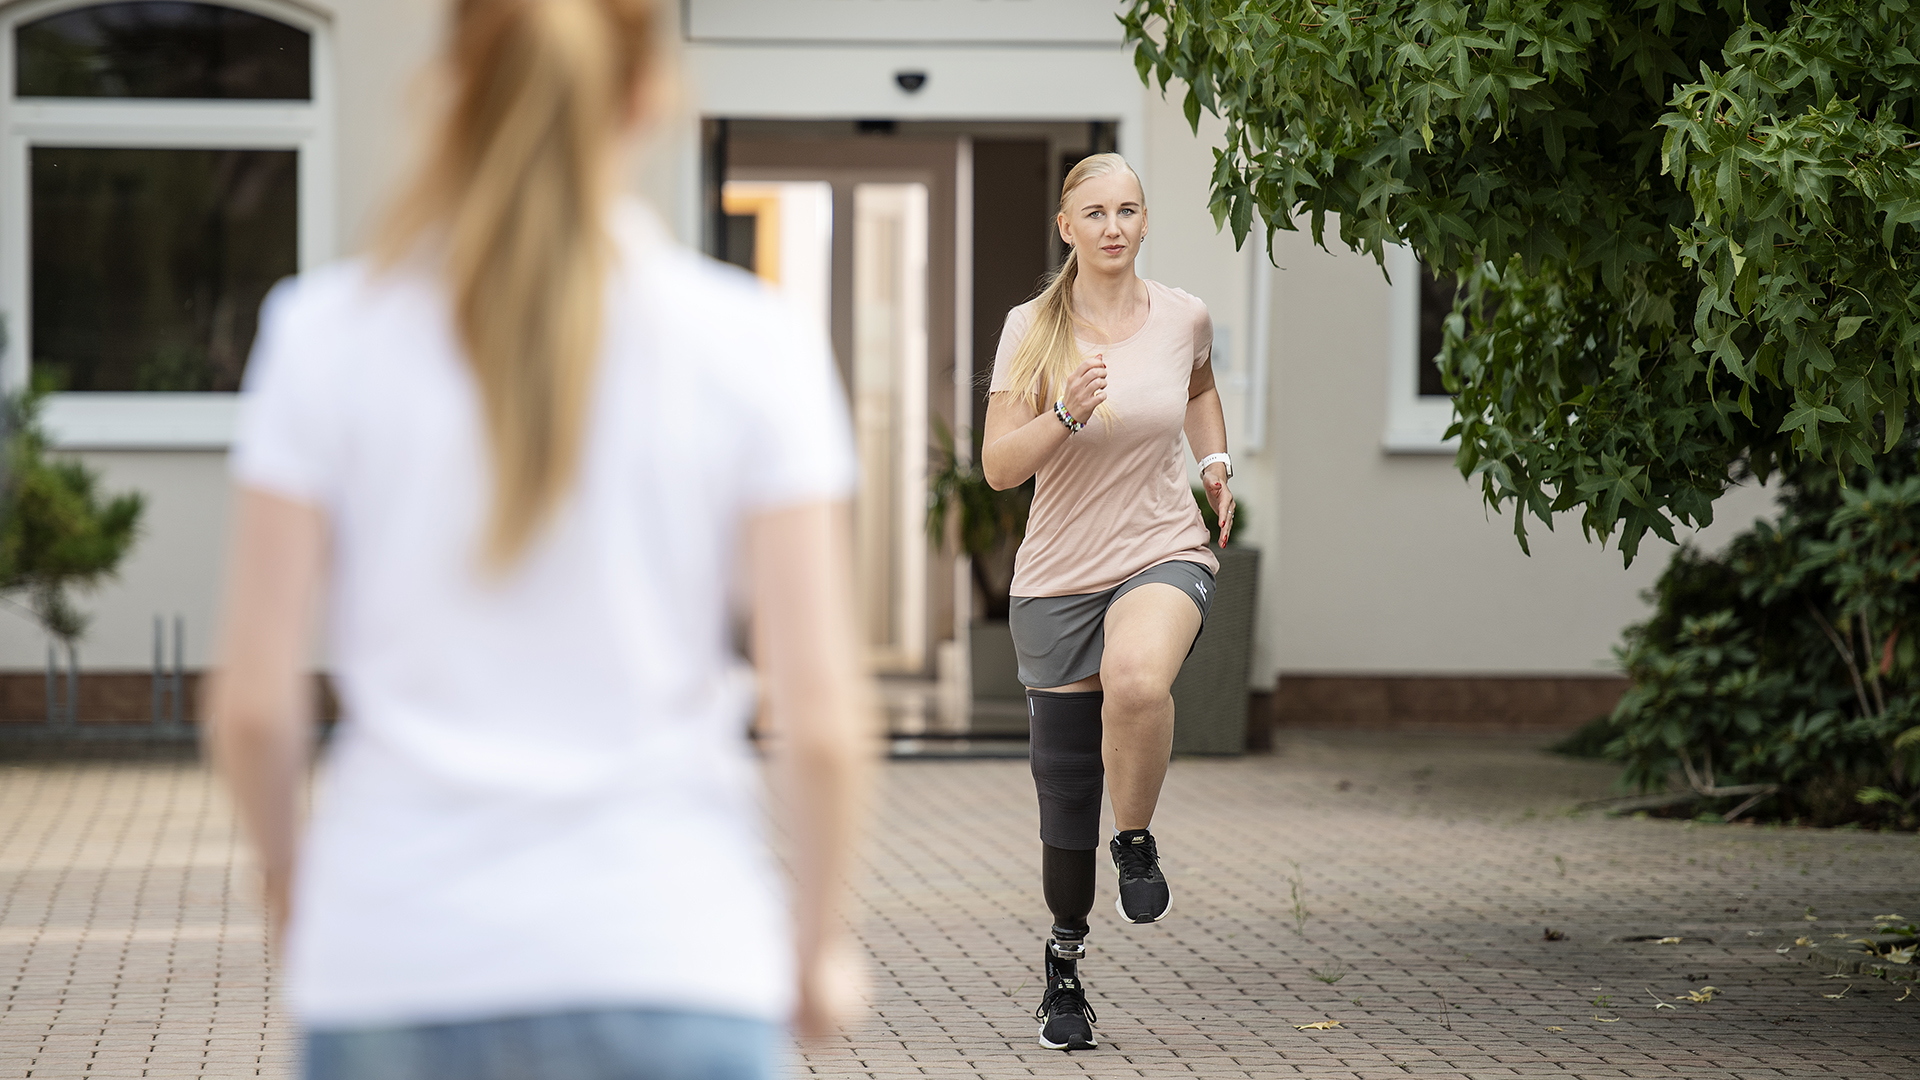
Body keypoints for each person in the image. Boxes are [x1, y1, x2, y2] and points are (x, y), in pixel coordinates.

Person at [204, 1, 873, 1077]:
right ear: (652, 98)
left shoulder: (324, 337)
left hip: (397, 963)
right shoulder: (754, 346)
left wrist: (294, 892)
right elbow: (822, 717)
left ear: (453, 84)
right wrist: (815, 946)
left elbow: (253, 701)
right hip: (673, 958)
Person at [981, 152, 1235, 1053]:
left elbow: (1199, 389)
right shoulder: (1032, 329)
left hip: (1163, 546)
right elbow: (999, 467)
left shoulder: (1183, 316)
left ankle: (1136, 838)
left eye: (1128, 210)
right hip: (1056, 577)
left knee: (1137, 681)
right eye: (1095, 212)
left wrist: (1215, 465)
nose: (1115, 227)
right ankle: (1064, 961)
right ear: (1066, 227)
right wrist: (1066, 413)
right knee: (1062, 806)